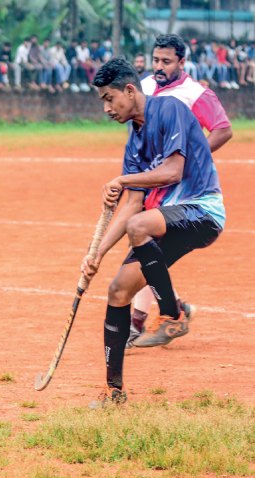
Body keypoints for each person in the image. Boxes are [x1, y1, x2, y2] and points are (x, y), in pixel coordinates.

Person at [84, 58, 225, 408]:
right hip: (162, 223)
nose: (106, 108)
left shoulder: (169, 109)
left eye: (109, 98)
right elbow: (132, 204)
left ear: (130, 91)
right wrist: (96, 254)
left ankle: (172, 314)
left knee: (140, 225)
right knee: (118, 290)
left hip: (202, 211)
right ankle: (114, 391)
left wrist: (121, 180)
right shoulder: (133, 142)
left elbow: (173, 171)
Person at [128, 34, 232, 349]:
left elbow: (223, 129)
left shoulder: (194, 93)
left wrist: (190, 160)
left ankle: (139, 323)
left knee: (147, 249)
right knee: (147, 251)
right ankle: (174, 309)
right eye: (155, 60)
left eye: (167, 61)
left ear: (182, 62)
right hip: (154, 182)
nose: (159, 67)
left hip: (183, 190)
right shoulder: (144, 87)